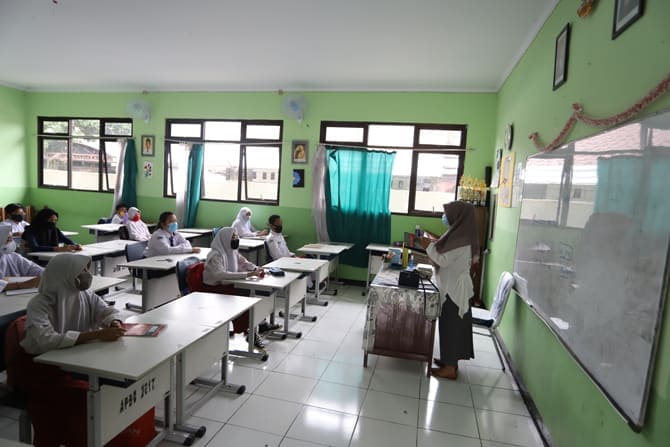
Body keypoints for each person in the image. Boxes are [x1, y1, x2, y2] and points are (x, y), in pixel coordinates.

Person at [15, 254, 125, 446]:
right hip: (44, 369)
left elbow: (106, 311)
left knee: (113, 387)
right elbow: (44, 340)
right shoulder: (40, 303)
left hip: (76, 360)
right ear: (65, 274)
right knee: (85, 401)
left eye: (86, 269)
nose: (87, 274)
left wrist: (113, 322)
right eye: (82, 270)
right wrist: (95, 335)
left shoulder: (85, 295)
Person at [419, 201, 478, 380]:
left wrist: (428, 246)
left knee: (452, 327)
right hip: (450, 287)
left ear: (459, 216)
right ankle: (448, 360)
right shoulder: (458, 234)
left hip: (455, 291)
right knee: (447, 325)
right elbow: (445, 252)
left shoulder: (462, 240)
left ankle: (451, 368)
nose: (445, 217)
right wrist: (433, 244)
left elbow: (443, 260)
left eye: (449, 213)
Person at [202, 227, 277, 348]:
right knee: (246, 299)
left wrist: (255, 268)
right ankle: (251, 333)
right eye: (233, 237)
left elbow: (244, 262)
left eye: (237, 237)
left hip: (228, 284)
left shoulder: (232, 251)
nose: (236, 239)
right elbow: (220, 275)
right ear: (225, 239)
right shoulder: (215, 255)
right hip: (214, 289)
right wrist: (247, 274)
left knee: (252, 294)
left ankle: (260, 325)